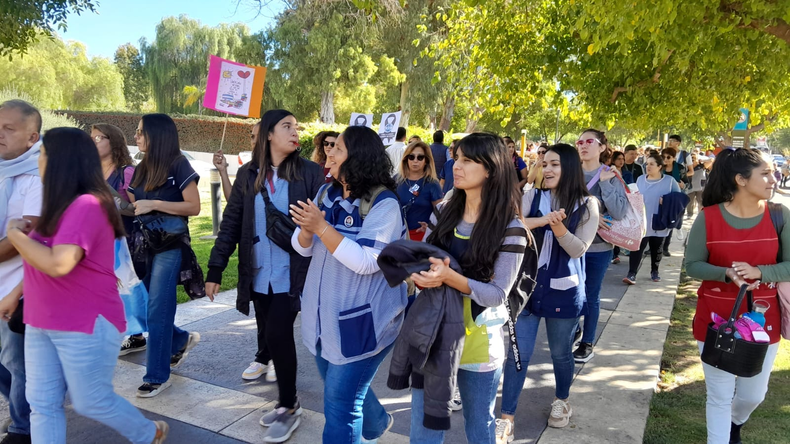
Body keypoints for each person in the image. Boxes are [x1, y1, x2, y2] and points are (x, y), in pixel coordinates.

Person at [0, 127, 168, 444]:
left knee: (91, 400)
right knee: (42, 404)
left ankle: (148, 432)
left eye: (42, 154)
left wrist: (15, 234)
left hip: (84, 322)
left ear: (60, 161)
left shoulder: (88, 206)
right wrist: (14, 294)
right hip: (41, 319)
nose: (37, 161)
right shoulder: (57, 206)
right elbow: (42, 262)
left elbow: (58, 263)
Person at [207, 110, 323, 443]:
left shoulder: (309, 173)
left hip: (295, 273)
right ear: (268, 134)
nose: (294, 132)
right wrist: (216, 269)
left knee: (277, 334)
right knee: (271, 336)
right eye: (287, 126)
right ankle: (288, 401)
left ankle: (288, 406)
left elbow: (323, 224)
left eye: (296, 127)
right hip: (258, 274)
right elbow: (231, 223)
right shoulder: (248, 174)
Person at [289, 125, 407, 443]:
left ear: (356, 157)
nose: (330, 152)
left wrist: (321, 226)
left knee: (341, 405)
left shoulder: (384, 205)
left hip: (362, 324)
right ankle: (377, 423)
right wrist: (306, 229)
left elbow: (369, 262)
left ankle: (367, 424)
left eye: (338, 148)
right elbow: (302, 248)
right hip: (322, 319)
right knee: (341, 386)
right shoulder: (326, 193)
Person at [407, 133, 527, 444]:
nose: (455, 166)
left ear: (491, 169)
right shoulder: (443, 212)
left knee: (479, 427)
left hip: (479, 341)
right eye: (456, 158)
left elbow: (497, 293)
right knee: (425, 429)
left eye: (467, 160)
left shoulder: (511, 228)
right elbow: (422, 262)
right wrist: (417, 274)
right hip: (433, 335)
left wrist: (448, 278)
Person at [496, 143, 599, 442]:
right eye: (545, 163)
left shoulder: (587, 204)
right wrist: (544, 220)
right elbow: (512, 226)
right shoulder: (533, 195)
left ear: (569, 167)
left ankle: (562, 400)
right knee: (518, 354)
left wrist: (558, 228)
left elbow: (579, 248)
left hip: (564, 291)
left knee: (560, 354)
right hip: (526, 288)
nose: (549, 169)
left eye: (556, 164)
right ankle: (507, 417)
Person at [685, 148, 787, 444]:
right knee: (718, 395)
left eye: (773, 173)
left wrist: (760, 271)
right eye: (765, 174)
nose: (773, 179)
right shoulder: (709, 218)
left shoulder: (780, 215)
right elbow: (693, 265)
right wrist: (725, 273)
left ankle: (735, 421)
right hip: (716, 320)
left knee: (753, 394)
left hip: (763, 321)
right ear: (741, 179)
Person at [127, 114, 202, 398]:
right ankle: (180, 339)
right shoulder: (141, 167)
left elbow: (193, 206)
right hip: (143, 245)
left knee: (158, 308)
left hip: (171, 244)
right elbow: (136, 206)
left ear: (157, 135)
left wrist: (155, 203)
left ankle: (156, 376)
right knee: (144, 307)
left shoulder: (178, 163)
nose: (136, 136)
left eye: (141, 132)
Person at [0, 99, 39, 444]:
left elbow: (26, 237)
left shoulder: (38, 174)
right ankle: (23, 409)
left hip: (19, 288)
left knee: (17, 363)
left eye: (8, 128)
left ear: (31, 137)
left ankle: (23, 427)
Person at [91, 123, 148, 356]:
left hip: (127, 240)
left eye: (98, 138)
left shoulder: (127, 172)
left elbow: (136, 209)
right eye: (91, 138)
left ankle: (136, 334)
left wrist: (109, 195)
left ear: (112, 141)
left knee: (130, 288)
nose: (93, 142)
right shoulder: (90, 173)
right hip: (99, 240)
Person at [573, 129, 628, 363]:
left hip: (598, 248)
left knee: (590, 296)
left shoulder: (610, 175)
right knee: (572, 293)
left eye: (589, 141)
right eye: (579, 141)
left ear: (602, 147)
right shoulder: (569, 174)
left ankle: (587, 341)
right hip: (570, 245)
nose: (583, 145)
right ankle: (573, 329)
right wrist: (591, 222)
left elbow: (619, 212)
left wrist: (606, 184)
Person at [622, 151, 680, 284]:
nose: (648, 167)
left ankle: (655, 271)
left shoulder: (669, 181)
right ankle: (631, 273)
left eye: (652, 164)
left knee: (657, 247)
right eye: (647, 164)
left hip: (659, 219)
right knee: (637, 247)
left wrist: (667, 200)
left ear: (660, 166)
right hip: (642, 220)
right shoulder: (640, 179)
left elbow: (680, 199)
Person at [396, 141, 443, 241]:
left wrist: (431, 228)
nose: (415, 160)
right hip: (396, 235)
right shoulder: (396, 180)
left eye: (420, 157)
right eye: (411, 157)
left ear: (426, 160)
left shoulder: (432, 184)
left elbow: (441, 215)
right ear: (406, 159)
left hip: (420, 237)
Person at [213, 121, 261, 201]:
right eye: (252, 137)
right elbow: (233, 201)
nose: (254, 142)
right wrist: (223, 171)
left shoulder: (281, 170)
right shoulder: (245, 171)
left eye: (259, 137)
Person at [660, 147, 689, 257]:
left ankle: (665, 248)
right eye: (663, 157)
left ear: (674, 158)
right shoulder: (659, 167)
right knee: (658, 221)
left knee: (670, 222)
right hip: (660, 198)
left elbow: (687, 183)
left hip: (674, 200)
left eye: (668, 157)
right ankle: (655, 246)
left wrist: (683, 185)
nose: (665, 159)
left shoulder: (680, 168)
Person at [686, 151, 711, 218]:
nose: (692, 159)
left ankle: (701, 215)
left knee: (701, 202)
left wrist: (702, 160)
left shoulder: (702, 166)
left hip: (700, 187)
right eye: (691, 157)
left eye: (694, 157)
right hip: (690, 187)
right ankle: (689, 214)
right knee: (690, 202)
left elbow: (711, 160)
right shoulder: (687, 167)